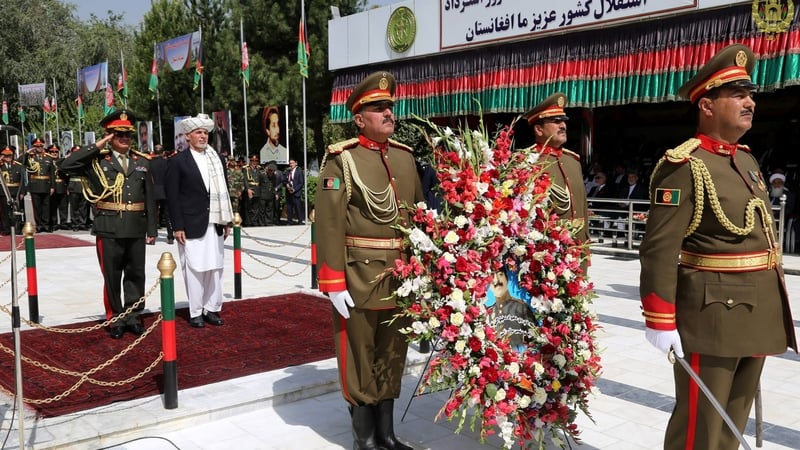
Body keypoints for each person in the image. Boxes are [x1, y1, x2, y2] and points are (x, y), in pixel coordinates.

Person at [638, 44, 797, 449]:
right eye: (738, 95)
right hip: (709, 318)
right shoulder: (684, 165)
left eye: (751, 95)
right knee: (699, 429)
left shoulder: (746, 161)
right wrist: (660, 318)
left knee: (731, 427)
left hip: (754, 314)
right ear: (707, 106)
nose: (750, 102)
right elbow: (658, 248)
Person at [316, 71, 422, 450]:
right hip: (358, 278)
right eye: (378, 108)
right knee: (360, 356)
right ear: (359, 118)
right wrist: (332, 282)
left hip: (401, 277)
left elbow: (419, 219)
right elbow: (328, 224)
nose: (388, 113)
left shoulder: (406, 158)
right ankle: (364, 439)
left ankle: (387, 435)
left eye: (390, 106)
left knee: (392, 354)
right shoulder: (342, 160)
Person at [60, 110, 158, 339]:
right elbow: (66, 165)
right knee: (112, 276)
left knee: (136, 274)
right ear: (109, 136)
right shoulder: (97, 160)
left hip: (135, 226)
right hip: (109, 226)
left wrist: (151, 229)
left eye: (128, 134)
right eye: (118, 134)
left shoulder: (142, 161)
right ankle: (116, 318)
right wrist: (97, 145)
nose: (124, 138)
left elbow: (150, 199)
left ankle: (133, 317)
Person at [165, 113, 234, 328]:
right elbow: (172, 196)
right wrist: (177, 226)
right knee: (194, 269)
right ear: (188, 136)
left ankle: (212, 308)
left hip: (215, 222)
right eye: (198, 133)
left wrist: (227, 221)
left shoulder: (218, 159)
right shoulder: (177, 161)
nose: (203, 136)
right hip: (191, 224)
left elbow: (225, 191)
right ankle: (195, 311)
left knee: (215, 269)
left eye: (205, 132)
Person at [519, 92, 589, 267]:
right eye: (556, 122)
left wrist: (585, 245)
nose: (563, 125)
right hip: (546, 251)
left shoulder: (573, 161)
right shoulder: (526, 162)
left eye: (564, 121)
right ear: (539, 129)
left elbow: (583, 207)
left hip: (577, 248)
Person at [22, 138, 55, 232]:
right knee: (37, 207)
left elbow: (51, 173)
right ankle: (39, 225)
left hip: (46, 185)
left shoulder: (48, 158)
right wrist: (28, 152)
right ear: (33, 147)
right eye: (37, 146)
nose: (39, 148)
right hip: (35, 185)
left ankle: (46, 225)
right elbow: (21, 162)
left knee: (46, 206)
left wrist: (52, 186)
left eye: (40, 146)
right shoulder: (30, 157)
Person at [150, 144, 174, 244]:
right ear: (163, 152)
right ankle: (170, 236)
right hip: (165, 190)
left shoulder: (149, 163)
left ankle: (153, 236)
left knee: (153, 215)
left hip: (154, 190)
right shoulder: (168, 162)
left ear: (154, 153)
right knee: (167, 214)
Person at [0, 146, 26, 236]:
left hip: (16, 191)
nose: (8, 157)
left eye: (10, 155)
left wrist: (22, 192)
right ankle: (6, 229)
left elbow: (22, 180)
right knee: (5, 212)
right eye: (6, 155)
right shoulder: (1, 166)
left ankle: (17, 229)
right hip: (4, 192)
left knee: (17, 211)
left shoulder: (18, 166)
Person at [65, 145, 89, 231]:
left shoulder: (85, 161)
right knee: (74, 207)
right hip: (73, 186)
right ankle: (75, 224)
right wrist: (67, 158)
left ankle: (82, 223)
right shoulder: (70, 162)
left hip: (84, 186)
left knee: (83, 207)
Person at [49, 145, 69, 230]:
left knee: (63, 206)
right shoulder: (48, 161)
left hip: (62, 185)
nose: (54, 153)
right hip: (52, 187)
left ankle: (63, 223)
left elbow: (67, 176)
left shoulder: (63, 162)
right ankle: (54, 223)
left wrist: (68, 187)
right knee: (53, 206)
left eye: (56, 152)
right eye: (52, 152)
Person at [243, 155, 265, 226]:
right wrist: (248, 189)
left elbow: (262, 180)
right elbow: (245, 180)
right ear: (250, 161)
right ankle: (248, 222)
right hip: (250, 189)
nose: (254, 162)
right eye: (252, 160)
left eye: (256, 161)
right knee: (248, 207)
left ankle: (254, 222)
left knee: (256, 208)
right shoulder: (246, 169)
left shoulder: (259, 169)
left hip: (257, 190)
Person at [284, 159, 304, 224]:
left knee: (298, 207)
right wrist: (286, 184)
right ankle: (289, 221)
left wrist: (294, 189)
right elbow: (284, 180)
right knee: (289, 208)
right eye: (290, 163)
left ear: (296, 163)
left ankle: (300, 221)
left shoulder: (299, 171)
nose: (291, 165)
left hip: (296, 192)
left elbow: (301, 183)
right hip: (289, 192)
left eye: (292, 163)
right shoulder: (287, 171)